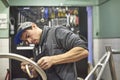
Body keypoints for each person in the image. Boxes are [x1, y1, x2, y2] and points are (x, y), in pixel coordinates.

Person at [14, 22, 88, 80]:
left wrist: (53, 60)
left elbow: (83, 50)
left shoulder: (56, 32)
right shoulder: (37, 47)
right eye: (26, 41)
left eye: (28, 36)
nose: (29, 41)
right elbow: (37, 73)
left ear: (34, 26)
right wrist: (31, 67)